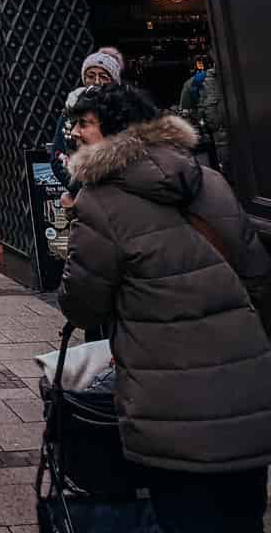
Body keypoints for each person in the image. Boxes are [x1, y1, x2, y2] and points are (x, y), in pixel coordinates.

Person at [59, 83, 271, 532]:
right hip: (244, 385)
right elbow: (257, 273)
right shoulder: (207, 179)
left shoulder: (99, 202)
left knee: (183, 515)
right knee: (243, 517)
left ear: (116, 129)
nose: (74, 132)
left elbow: (80, 303)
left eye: (84, 123)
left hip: (167, 396)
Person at [50, 48, 123, 189]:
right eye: (91, 76)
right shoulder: (70, 109)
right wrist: (79, 189)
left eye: (103, 76)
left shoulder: (124, 110)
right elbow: (57, 157)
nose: (96, 81)